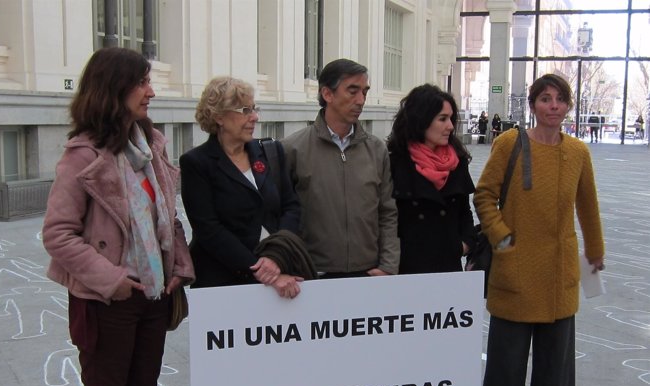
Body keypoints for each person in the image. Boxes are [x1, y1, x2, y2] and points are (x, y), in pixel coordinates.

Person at [42, 47, 195, 386]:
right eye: (142, 82)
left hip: (154, 295)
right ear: (115, 88)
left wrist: (178, 266)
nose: (151, 91)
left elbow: (168, 214)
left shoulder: (150, 145)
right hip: (107, 300)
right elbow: (57, 234)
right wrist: (113, 279)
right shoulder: (83, 155)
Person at [474, 73, 604, 386]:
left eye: (560, 100)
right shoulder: (510, 143)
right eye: (545, 99)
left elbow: (588, 206)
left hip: (559, 268)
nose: (553, 106)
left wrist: (595, 250)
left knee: (554, 357)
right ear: (532, 105)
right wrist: (502, 237)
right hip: (515, 263)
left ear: (567, 107)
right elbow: (484, 195)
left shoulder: (579, 151)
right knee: (507, 356)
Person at [180, 76, 309, 298]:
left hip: (280, 273)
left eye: (254, 109)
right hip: (224, 283)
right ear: (219, 116)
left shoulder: (270, 152)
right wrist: (260, 270)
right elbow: (209, 229)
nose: (254, 117)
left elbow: (291, 206)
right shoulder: (197, 163)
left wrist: (276, 257)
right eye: (245, 110)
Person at [281, 58, 400, 278]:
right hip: (313, 273)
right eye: (352, 91)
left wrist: (388, 266)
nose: (361, 100)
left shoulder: (376, 150)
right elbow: (280, 216)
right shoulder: (292, 149)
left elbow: (388, 212)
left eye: (364, 92)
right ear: (328, 94)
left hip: (369, 273)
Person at [386, 84, 477, 274]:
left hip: (447, 266)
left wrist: (464, 244)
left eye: (451, 119)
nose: (450, 126)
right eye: (442, 119)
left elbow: (464, 211)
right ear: (422, 120)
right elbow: (385, 217)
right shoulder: (395, 162)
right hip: (407, 269)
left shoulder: (457, 160)